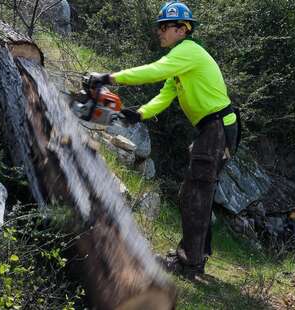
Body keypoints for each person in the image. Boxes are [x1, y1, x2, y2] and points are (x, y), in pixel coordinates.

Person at [89, 0, 239, 280]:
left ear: (182, 29)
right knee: (192, 194)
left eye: (164, 26)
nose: (159, 31)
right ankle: (194, 258)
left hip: (218, 127)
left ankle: (190, 264)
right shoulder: (182, 60)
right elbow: (166, 94)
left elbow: (153, 71)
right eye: (159, 26)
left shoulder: (188, 52)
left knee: (196, 195)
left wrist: (109, 77)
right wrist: (140, 114)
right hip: (211, 129)